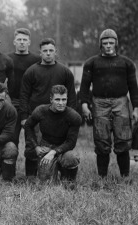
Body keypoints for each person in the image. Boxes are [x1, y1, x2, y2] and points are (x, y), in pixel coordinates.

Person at [79, 29, 138, 179]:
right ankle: (102, 178)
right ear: (100, 45)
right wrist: (84, 104)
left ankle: (125, 176)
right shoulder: (91, 63)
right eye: (105, 43)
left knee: (123, 140)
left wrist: (136, 108)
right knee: (101, 141)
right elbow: (84, 86)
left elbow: (133, 87)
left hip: (121, 102)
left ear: (116, 44)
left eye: (111, 42)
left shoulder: (127, 63)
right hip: (99, 103)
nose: (108, 46)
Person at [19, 37, 77, 178]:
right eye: (45, 51)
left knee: (60, 146)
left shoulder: (64, 71)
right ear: (40, 53)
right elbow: (24, 95)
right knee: (33, 148)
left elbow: (72, 96)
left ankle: (64, 175)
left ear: (56, 52)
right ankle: (30, 177)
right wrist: (24, 117)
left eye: (51, 50)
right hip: (37, 116)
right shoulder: (31, 71)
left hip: (60, 116)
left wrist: (69, 115)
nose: (48, 53)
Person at [24, 85, 82, 183]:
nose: (61, 103)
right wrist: (36, 147)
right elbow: (28, 126)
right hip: (45, 146)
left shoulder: (74, 117)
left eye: (64, 100)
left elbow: (71, 142)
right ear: (51, 99)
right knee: (46, 183)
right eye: (57, 99)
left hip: (63, 149)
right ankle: (53, 172)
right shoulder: (41, 111)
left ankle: (70, 181)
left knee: (72, 158)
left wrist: (53, 152)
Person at [7, 28, 41, 146]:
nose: (22, 42)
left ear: (29, 42)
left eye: (24, 40)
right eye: (19, 39)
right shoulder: (7, 59)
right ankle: (10, 164)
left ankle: (32, 165)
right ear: (14, 42)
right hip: (13, 102)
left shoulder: (37, 60)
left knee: (33, 139)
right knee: (11, 138)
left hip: (32, 102)